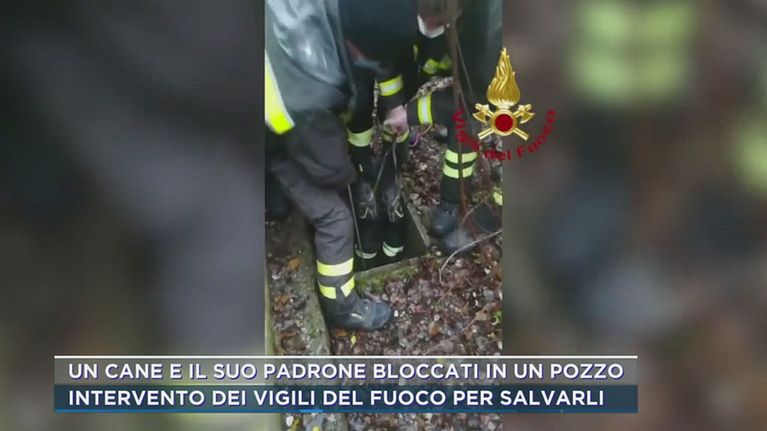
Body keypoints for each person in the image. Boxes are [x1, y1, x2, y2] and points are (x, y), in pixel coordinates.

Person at [265, 0, 419, 330]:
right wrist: (352, 175)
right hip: (268, 137)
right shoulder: (314, 89)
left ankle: (272, 192)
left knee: (280, 204)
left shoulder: (321, 12)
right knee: (336, 219)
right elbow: (328, 168)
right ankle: (342, 307)